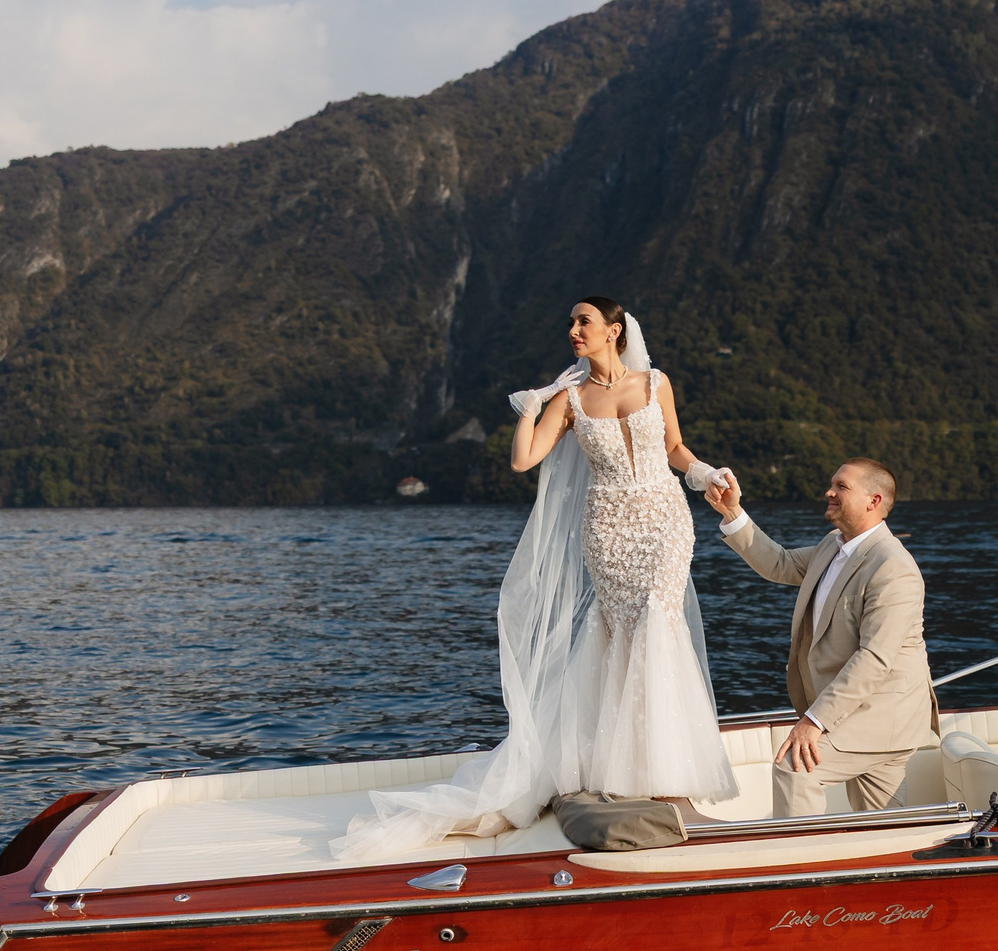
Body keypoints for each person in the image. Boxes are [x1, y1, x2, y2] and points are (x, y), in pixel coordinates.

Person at [331, 299, 735, 863]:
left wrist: (707, 476)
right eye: (570, 324)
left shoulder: (655, 382)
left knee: (658, 627)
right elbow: (524, 460)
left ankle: (671, 784)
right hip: (608, 529)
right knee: (619, 634)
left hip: (665, 521)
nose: (573, 331)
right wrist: (532, 405)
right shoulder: (570, 399)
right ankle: (629, 775)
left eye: (583, 322)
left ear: (614, 331)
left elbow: (671, 447)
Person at [705, 458, 938, 818]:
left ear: (873, 501)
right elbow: (780, 563)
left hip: (885, 714)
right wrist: (733, 512)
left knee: (795, 768)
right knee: (881, 821)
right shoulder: (833, 545)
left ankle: (806, 868)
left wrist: (813, 722)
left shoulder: (893, 567)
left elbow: (873, 658)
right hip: (863, 710)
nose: (829, 491)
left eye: (841, 487)